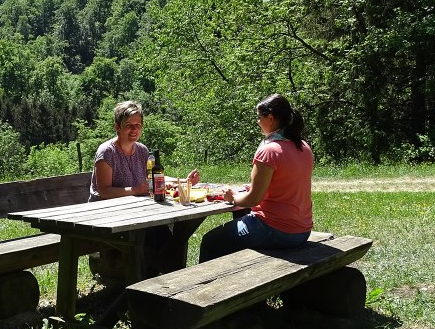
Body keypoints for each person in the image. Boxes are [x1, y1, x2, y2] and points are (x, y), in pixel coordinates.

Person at [199, 93, 314, 262]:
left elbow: (253, 199)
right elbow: (285, 185)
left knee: (211, 241)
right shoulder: (303, 147)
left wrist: (232, 197)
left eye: (259, 117)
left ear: (270, 118)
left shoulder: (269, 151)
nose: (257, 121)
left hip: (275, 230)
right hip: (302, 231)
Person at [88, 100, 198, 276]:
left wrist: (182, 182)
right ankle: (151, 278)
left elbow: (153, 177)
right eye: (128, 125)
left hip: (136, 210)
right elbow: (104, 191)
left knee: (164, 233)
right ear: (117, 127)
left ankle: (166, 276)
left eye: (137, 125)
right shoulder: (107, 152)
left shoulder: (142, 151)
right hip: (105, 213)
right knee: (148, 234)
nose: (134, 130)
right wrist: (135, 190)